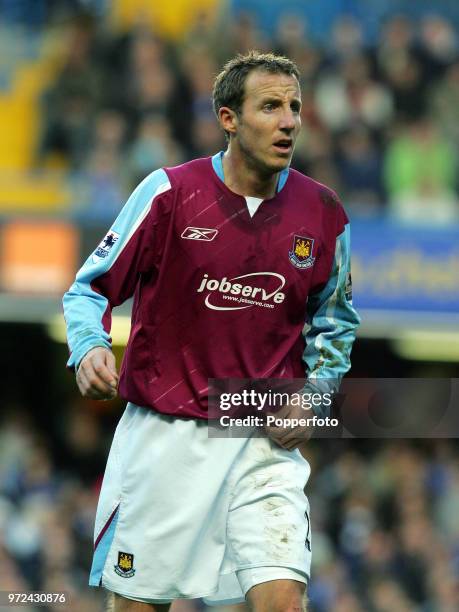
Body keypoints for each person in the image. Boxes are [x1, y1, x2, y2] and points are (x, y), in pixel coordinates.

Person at [63, 51, 360, 612]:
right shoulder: (168, 194)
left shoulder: (324, 213)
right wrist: (89, 347)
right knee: (138, 606)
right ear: (228, 118)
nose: (289, 120)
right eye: (270, 106)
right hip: (165, 437)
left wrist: (315, 400)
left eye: (295, 107)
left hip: (261, 439)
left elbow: (336, 323)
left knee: (283, 599)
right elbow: (88, 289)